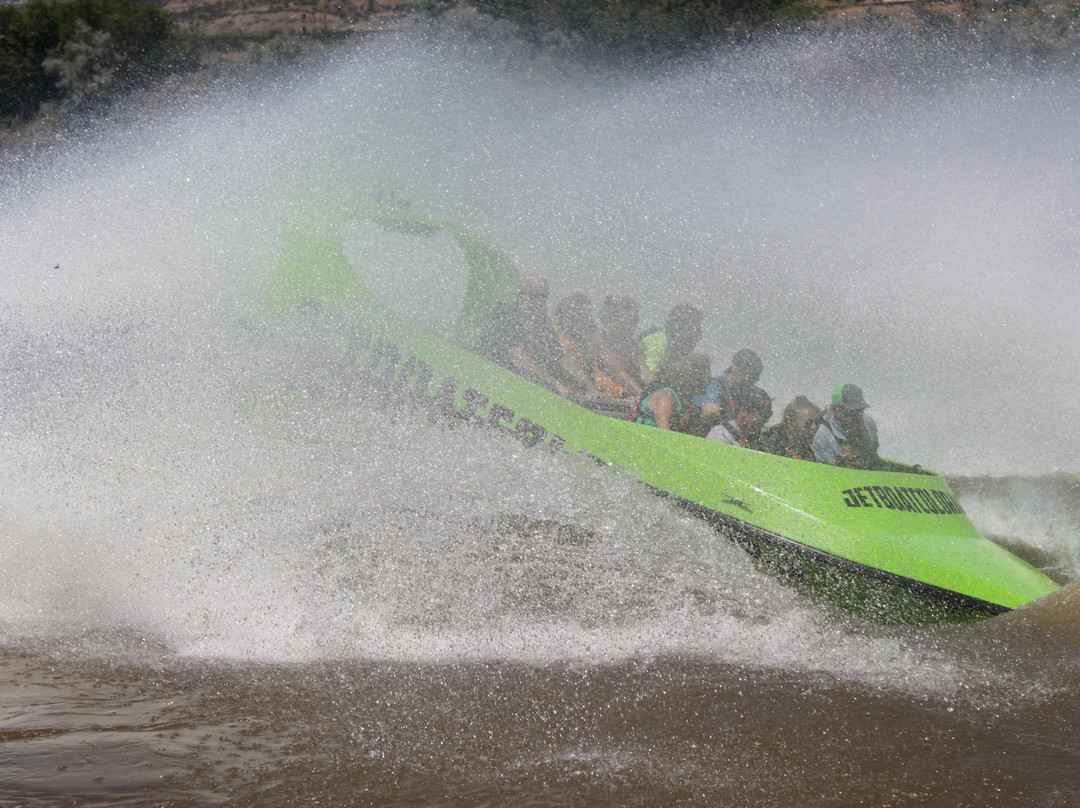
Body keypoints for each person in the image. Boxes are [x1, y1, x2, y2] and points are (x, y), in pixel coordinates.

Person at [473, 274, 580, 396]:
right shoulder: (504, 315)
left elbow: (559, 360)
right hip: (489, 384)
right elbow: (518, 357)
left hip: (522, 388)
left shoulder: (543, 323)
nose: (539, 302)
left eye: (543, 297)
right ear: (519, 295)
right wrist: (555, 384)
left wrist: (585, 387)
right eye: (534, 296)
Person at [633, 352, 711, 433]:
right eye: (705, 380)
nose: (707, 385)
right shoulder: (668, 396)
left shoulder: (683, 398)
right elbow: (661, 420)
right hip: (643, 433)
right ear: (695, 381)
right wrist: (669, 440)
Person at [812, 384, 881, 469]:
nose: (856, 416)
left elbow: (874, 456)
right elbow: (829, 471)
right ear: (835, 410)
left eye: (860, 410)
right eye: (850, 412)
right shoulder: (823, 436)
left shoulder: (869, 423)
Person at [594, 295, 649, 396]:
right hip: (605, 389)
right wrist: (640, 392)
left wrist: (658, 387)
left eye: (636, 320)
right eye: (632, 320)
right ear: (615, 318)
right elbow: (614, 369)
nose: (635, 325)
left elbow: (644, 372)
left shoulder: (630, 342)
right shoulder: (599, 338)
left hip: (628, 389)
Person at [695, 348, 765, 427]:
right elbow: (709, 411)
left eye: (757, 376)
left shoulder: (741, 391)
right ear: (737, 370)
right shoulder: (715, 385)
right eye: (753, 375)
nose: (755, 380)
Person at [640, 303, 704, 377]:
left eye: (698, 330)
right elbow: (647, 377)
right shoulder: (657, 344)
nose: (699, 338)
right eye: (695, 330)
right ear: (679, 329)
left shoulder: (681, 346)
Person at [706, 385, 772, 449]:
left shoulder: (760, 440)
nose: (766, 420)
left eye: (768, 415)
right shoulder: (721, 434)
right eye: (762, 415)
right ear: (743, 411)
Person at [761, 396, 822, 461]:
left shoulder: (808, 448)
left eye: (817, 422)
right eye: (808, 423)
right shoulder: (770, 442)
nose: (814, 427)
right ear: (791, 423)